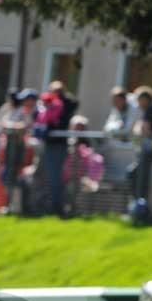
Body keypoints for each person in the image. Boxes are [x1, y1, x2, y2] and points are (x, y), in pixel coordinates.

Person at [34, 80, 78, 215]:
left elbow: (72, 106)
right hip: (46, 144)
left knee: (55, 177)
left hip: (58, 145)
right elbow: (38, 116)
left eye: (58, 92)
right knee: (40, 175)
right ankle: (41, 205)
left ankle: (57, 208)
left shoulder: (66, 105)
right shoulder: (46, 104)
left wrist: (60, 98)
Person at [62, 114, 105, 214]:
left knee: (89, 186)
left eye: (82, 127)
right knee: (72, 186)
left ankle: (82, 210)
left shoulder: (89, 142)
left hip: (85, 175)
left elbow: (94, 160)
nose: (79, 129)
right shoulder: (67, 142)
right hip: (69, 176)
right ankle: (71, 209)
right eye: (77, 126)